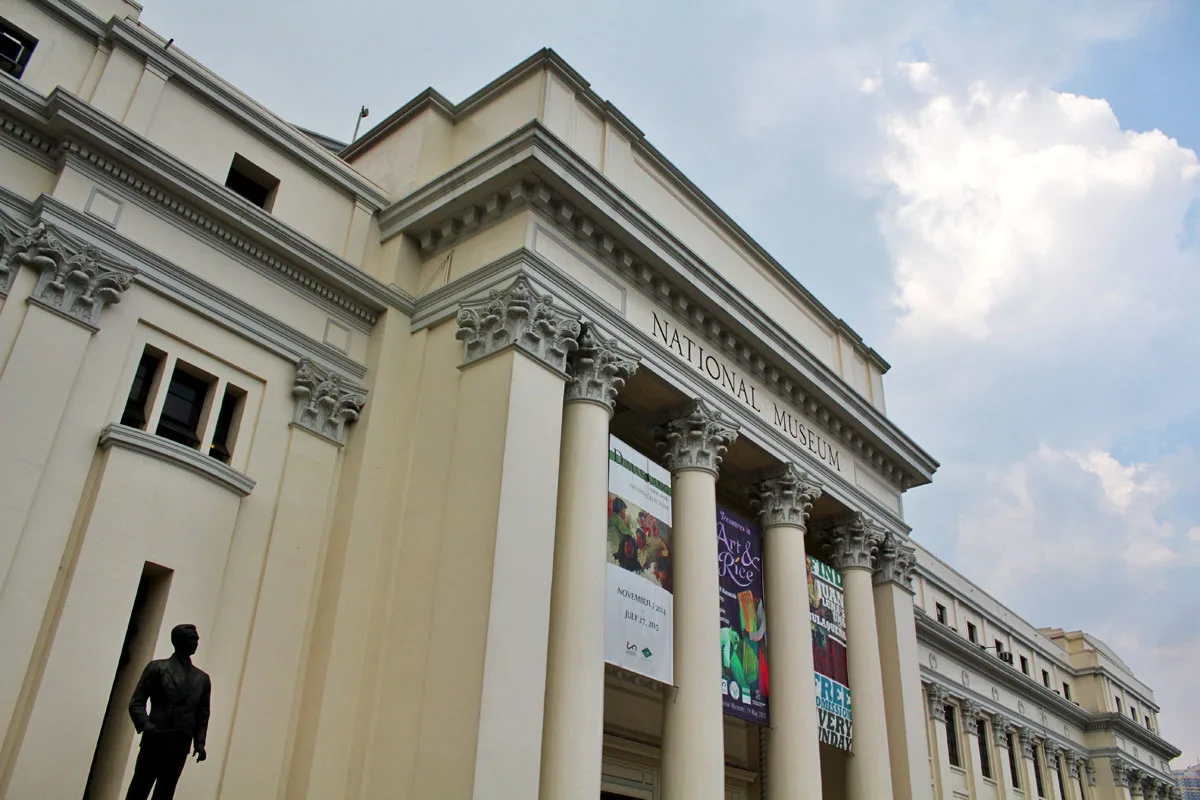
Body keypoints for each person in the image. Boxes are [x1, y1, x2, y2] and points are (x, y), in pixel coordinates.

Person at [126, 624, 211, 800]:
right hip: (155, 739)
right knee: (139, 789)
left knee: (165, 793)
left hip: (180, 744)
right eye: (191, 639)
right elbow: (137, 703)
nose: (195, 643)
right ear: (178, 641)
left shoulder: (202, 679)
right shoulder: (157, 668)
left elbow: (202, 715)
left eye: (196, 639)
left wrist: (199, 743)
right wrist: (146, 725)